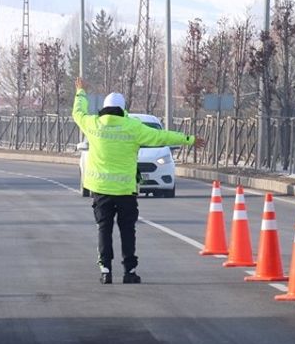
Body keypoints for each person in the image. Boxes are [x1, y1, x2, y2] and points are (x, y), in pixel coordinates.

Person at [71, 77, 200, 284]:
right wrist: (189, 139)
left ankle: (105, 270)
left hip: (101, 190)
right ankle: (129, 271)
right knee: (127, 230)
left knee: (104, 228)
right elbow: (162, 137)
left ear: (104, 108)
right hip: (125, 191)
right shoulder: (133, 127)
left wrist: (81, 92)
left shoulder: (93, 125)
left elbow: (78, 113)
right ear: (123, 109)